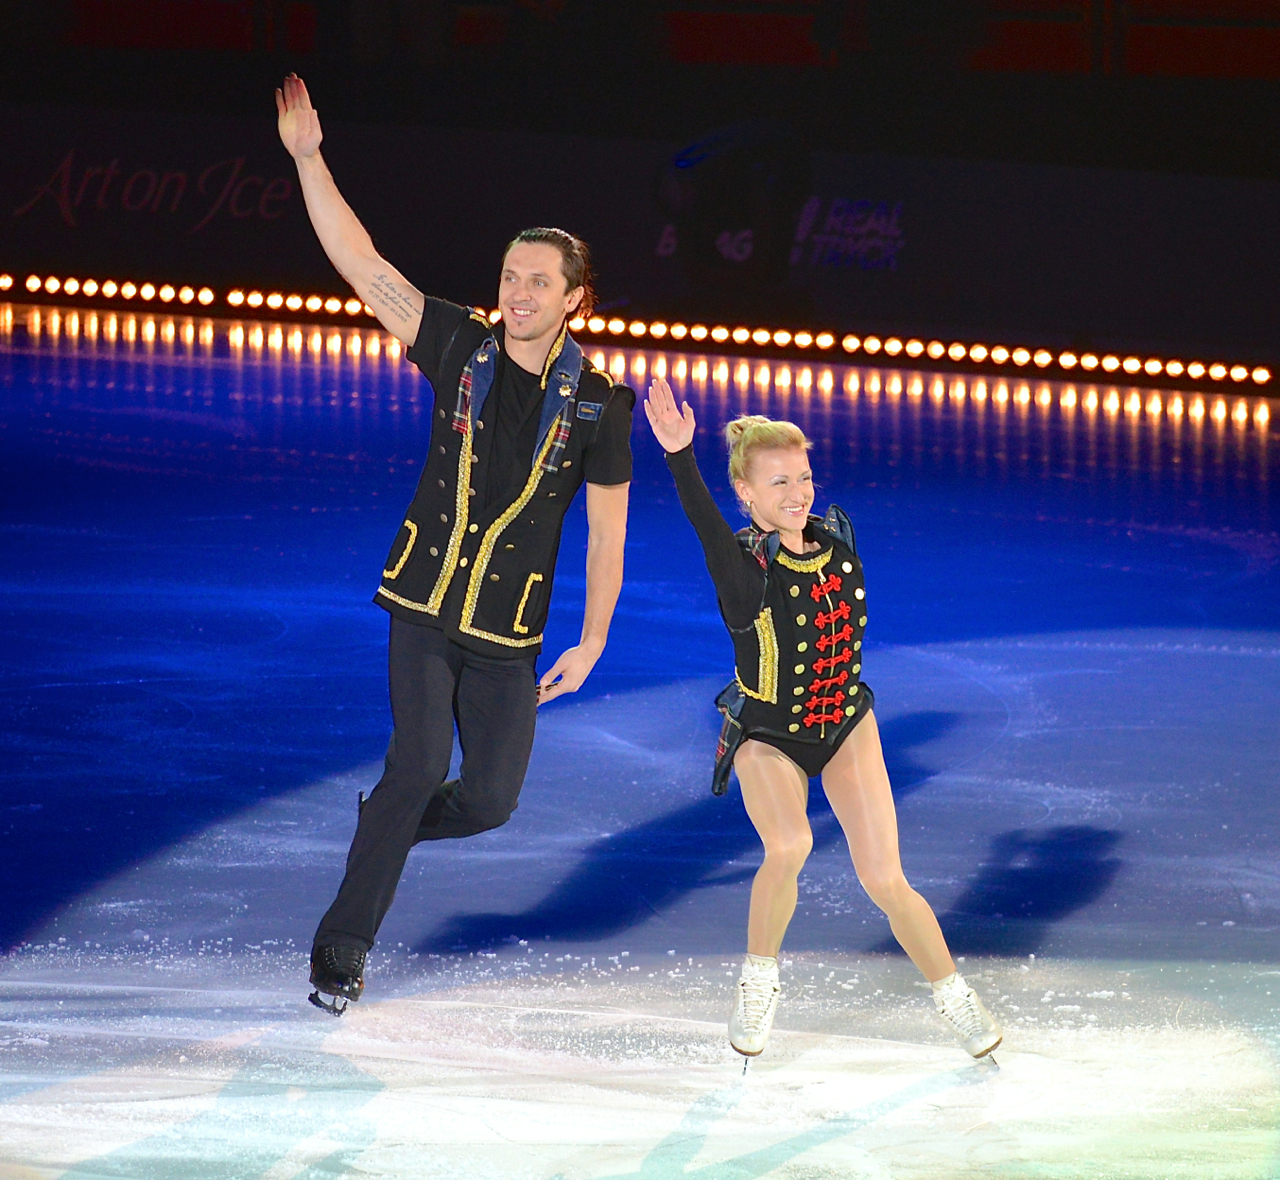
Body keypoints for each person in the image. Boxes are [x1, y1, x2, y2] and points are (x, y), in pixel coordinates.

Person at [276, 74, 634, 1014]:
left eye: (539, 282)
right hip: (427, 610)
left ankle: (385, 825)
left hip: (508, 633)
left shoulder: (601, 405)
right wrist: (311, 157)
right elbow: (362, 263)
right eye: (511, 276)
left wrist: (593, 639)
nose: (518, 292)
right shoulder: (455, 345)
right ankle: (342, 950)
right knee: (418, 764)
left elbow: (607, 536)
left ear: (574, 300)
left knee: (489, 802)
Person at [643, 377, 1001, 1060]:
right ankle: (759, 981)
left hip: (843, 725)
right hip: (769, 735)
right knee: (790, 846)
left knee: (885, 879)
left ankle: (953, 993)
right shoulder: (744, 568)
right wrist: (680, 458)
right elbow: (704, 526)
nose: (798, 493)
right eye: (778, 483)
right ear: (747, 493)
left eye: (803, 477)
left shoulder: (837, 539)